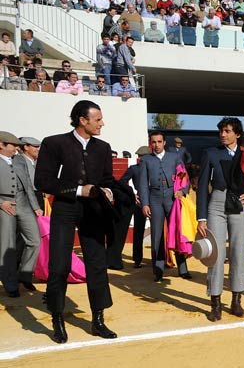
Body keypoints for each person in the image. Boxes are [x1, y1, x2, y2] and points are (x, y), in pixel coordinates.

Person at [35, 100, 119, 343]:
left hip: (93, 210)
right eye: (98, 119)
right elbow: (43, 181)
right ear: (83, 120)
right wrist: (80, 190)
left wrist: (108, 191)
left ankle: (98, 320)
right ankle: (57, 319)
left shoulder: (103, 147)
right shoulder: (54, 143)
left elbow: (106, 179)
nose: (102, 123)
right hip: (65, 208)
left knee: (96, 264)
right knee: (59, 265)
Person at [196, 118, 244, 321]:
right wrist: (201, 217)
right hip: (217, 204)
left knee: (238, 251)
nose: (223, 135)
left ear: (237, 134)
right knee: (215, 254)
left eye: (227, 131)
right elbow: (202, 187)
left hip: (238, 203)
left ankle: (236, 300)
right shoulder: (211, 153)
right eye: (221, 131)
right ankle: (215, 303)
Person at [139, 131, 190, 282]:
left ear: (164, 143)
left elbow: (184, 176)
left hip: (172, 198)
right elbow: (143, 184)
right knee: (157, 235)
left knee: (177, 232)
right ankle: (158, 270)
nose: (156, 145)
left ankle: (183, 268)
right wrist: (145, 203)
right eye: (153, 142)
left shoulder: (174, 157)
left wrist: (182, 191)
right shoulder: (146, 160)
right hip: (154, 199)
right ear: (150, 143)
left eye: (159, 142)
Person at [0, 132, 41, 297]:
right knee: (8, 246)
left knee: (34, 240)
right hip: (5, 205)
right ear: (1, 145)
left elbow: (28, 186)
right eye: (13, 145)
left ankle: (24, 275)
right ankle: (9, 283)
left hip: (23, 203)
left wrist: (35, 206)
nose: (17, 149)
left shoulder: (19, 161)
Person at [118, 146, 149, 268]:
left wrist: (131, 193)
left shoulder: (135, 169)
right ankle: (156, 260)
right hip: (148, 201)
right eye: (140, 156)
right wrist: (132, 193)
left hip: (142, 201)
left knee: (139, 231)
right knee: (143, 231)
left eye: (141, 156)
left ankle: (138, 260)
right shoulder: (151, 168)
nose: (140, 158)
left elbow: (121, 182)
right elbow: (121, 182)